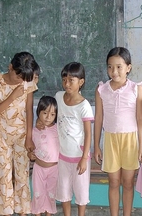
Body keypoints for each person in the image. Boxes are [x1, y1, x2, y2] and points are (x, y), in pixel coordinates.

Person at [94, 47, 142, 216]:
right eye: (110, 66)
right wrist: (96, 146)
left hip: (131, 140)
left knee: (128, 182)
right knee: (114, 182)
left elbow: (140, 119)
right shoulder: (101, 90)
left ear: (128, 68)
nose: (114, 71)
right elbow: (98, 119)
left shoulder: (136, 88)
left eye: (118, 66)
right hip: (110, 140)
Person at [0, 52, 39, 216]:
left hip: (22, 137)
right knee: (4, 176)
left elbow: (29, 111)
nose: (21, 81)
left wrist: (29, 137)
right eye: (18, 76)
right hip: (1, 137)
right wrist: (12, 96)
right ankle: (6, 213)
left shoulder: (27, 82)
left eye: (24, 78)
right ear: (10, 67)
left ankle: (23, 211)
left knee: (22, 175)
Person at [55, 62, 93, 216]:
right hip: (63, 156)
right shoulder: (58, 97)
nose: (67, 84)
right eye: (64, 80)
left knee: (81, 191)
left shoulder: (84, 106)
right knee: (63, 191)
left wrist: (84, 158)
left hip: (79, 157)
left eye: (71, 80)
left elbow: (88, 134)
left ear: (81, 82)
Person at [27, 96, 59, 216]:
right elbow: (30, 148)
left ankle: (48, 214)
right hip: (39, 168)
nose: (48, 117)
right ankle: (37, 213)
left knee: (51, 194)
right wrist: (30, 154)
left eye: (52, 114)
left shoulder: (58, 129)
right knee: (38, 193)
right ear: (38, 112)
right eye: (44, 113)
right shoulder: (34, 130)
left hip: (54, 169)